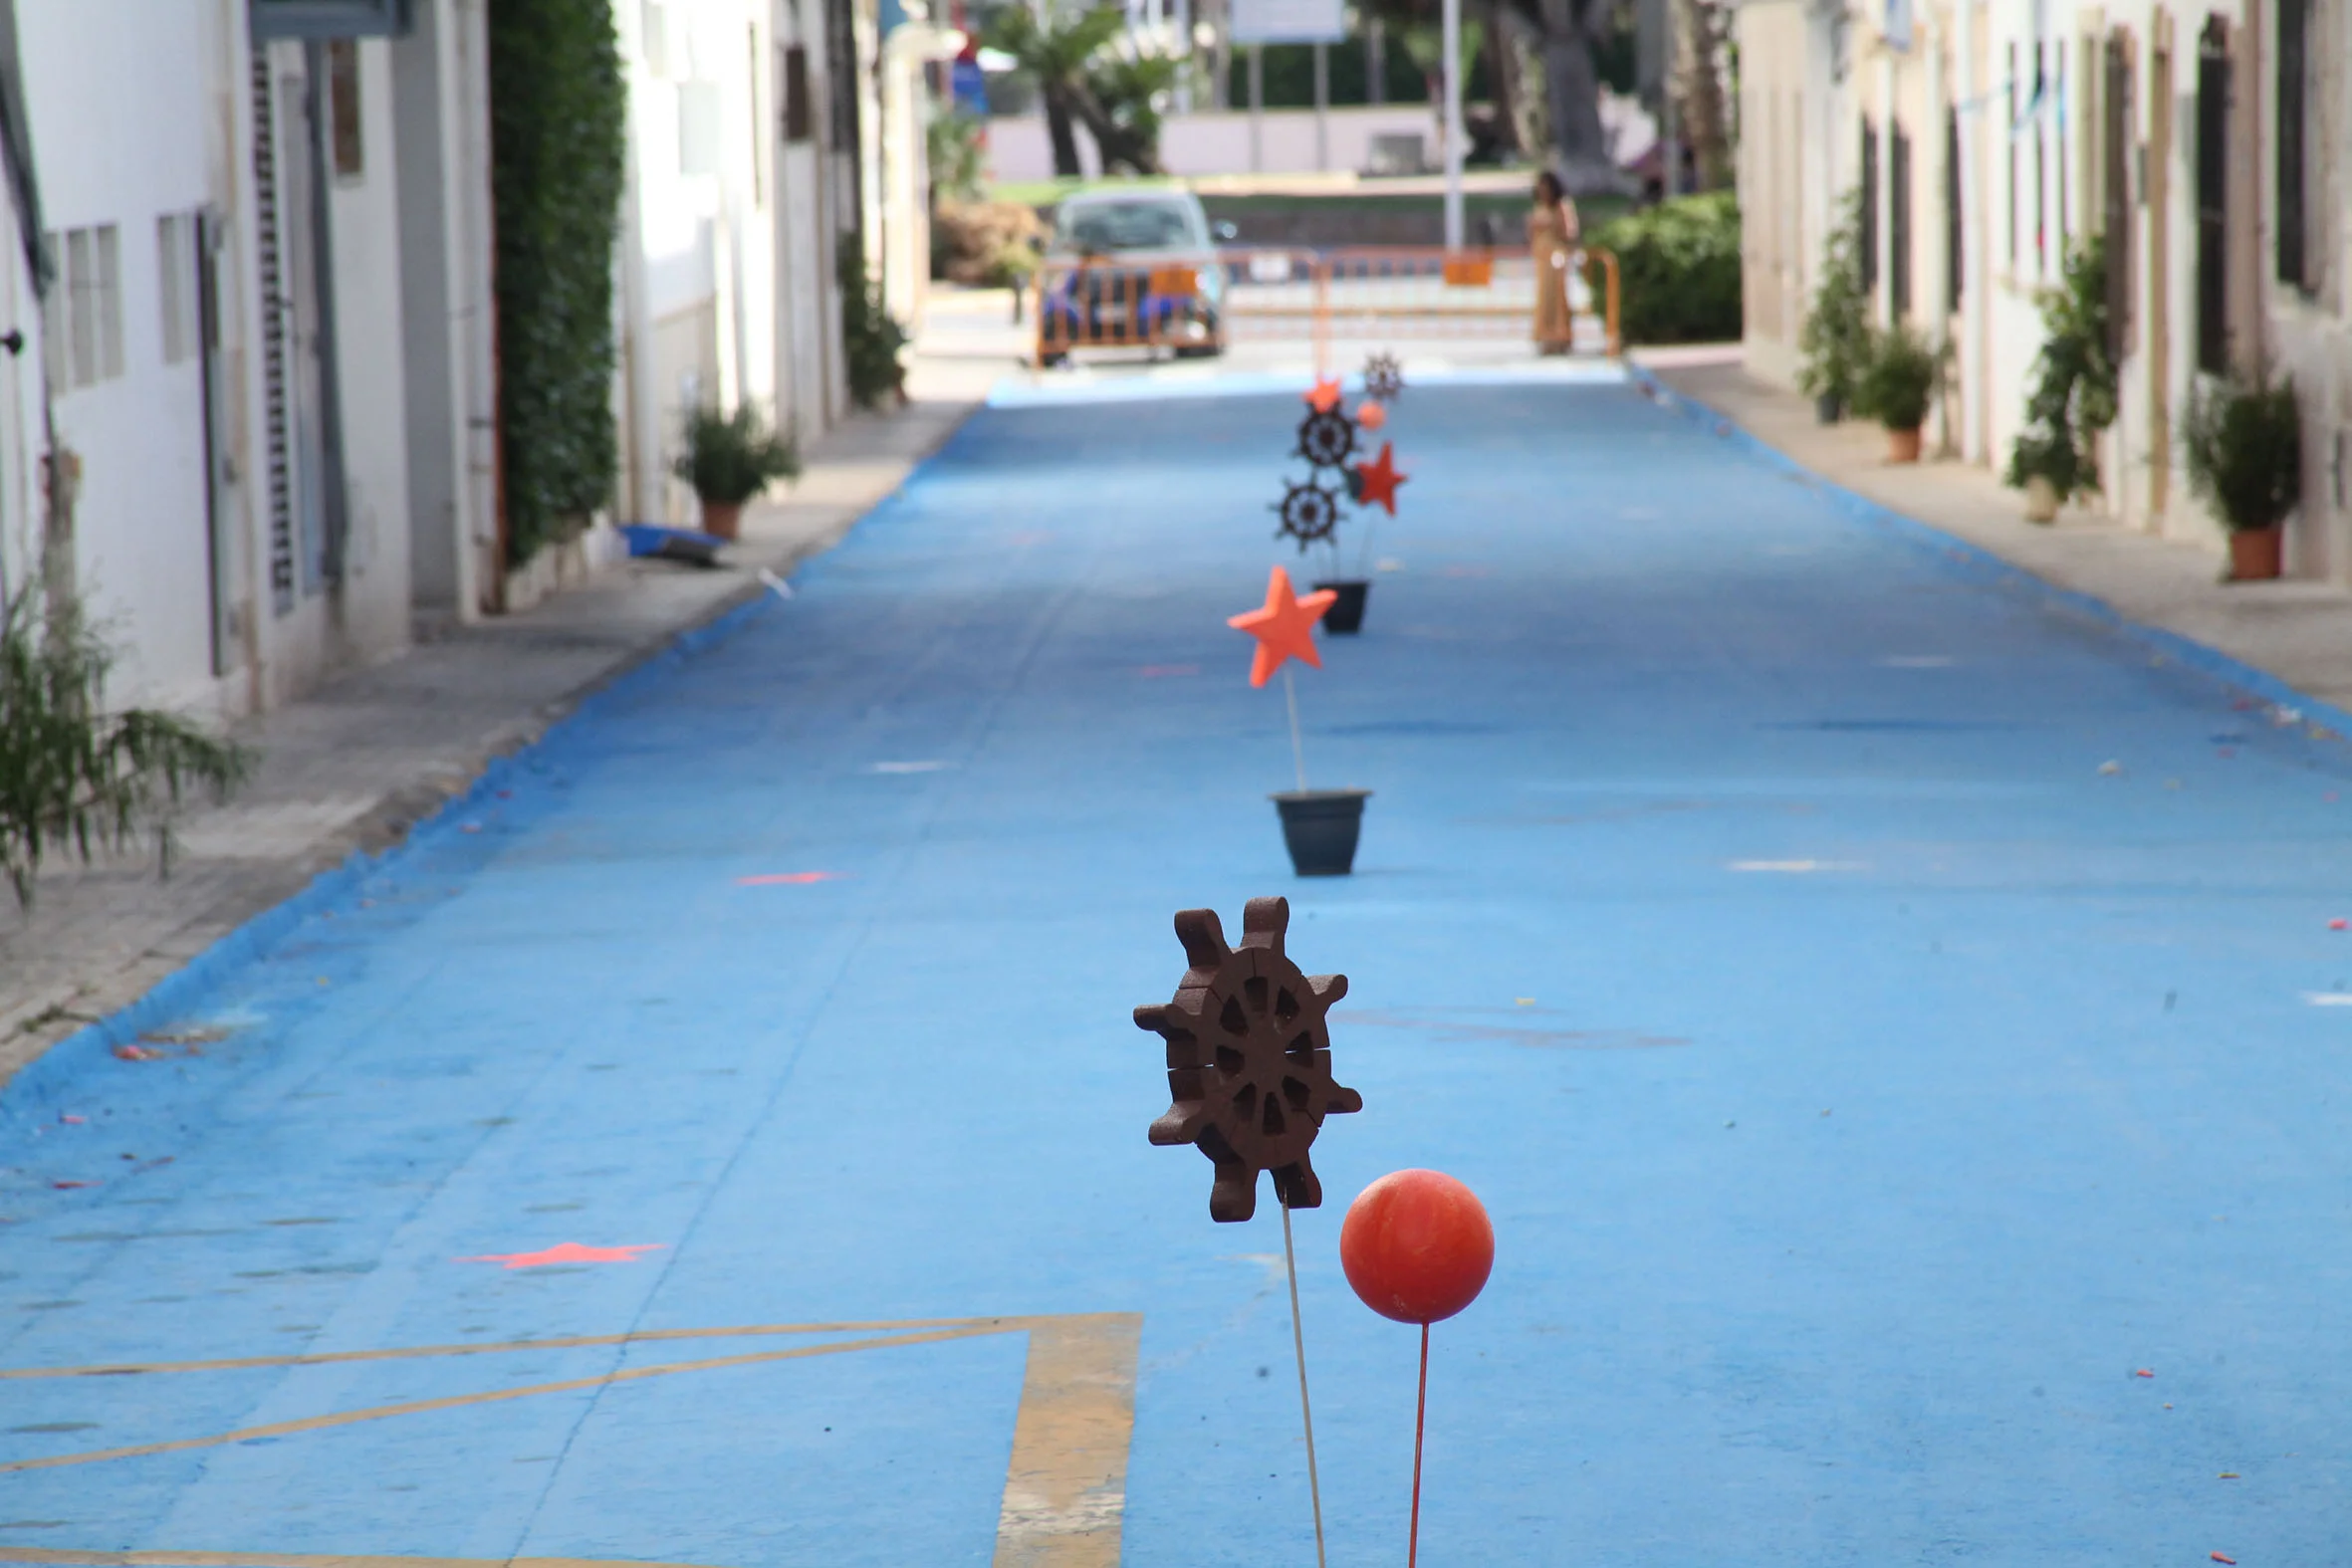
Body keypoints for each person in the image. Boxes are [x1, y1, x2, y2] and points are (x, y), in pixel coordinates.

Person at [1529, 170, 1580, 355]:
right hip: (1542, 259)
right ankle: (1546, 337)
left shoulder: (1561, 205)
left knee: (1557, 298)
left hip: (1556, 258)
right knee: (1545, 300)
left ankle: (1561, 337)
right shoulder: (1540, 206)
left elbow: (1569, 231)